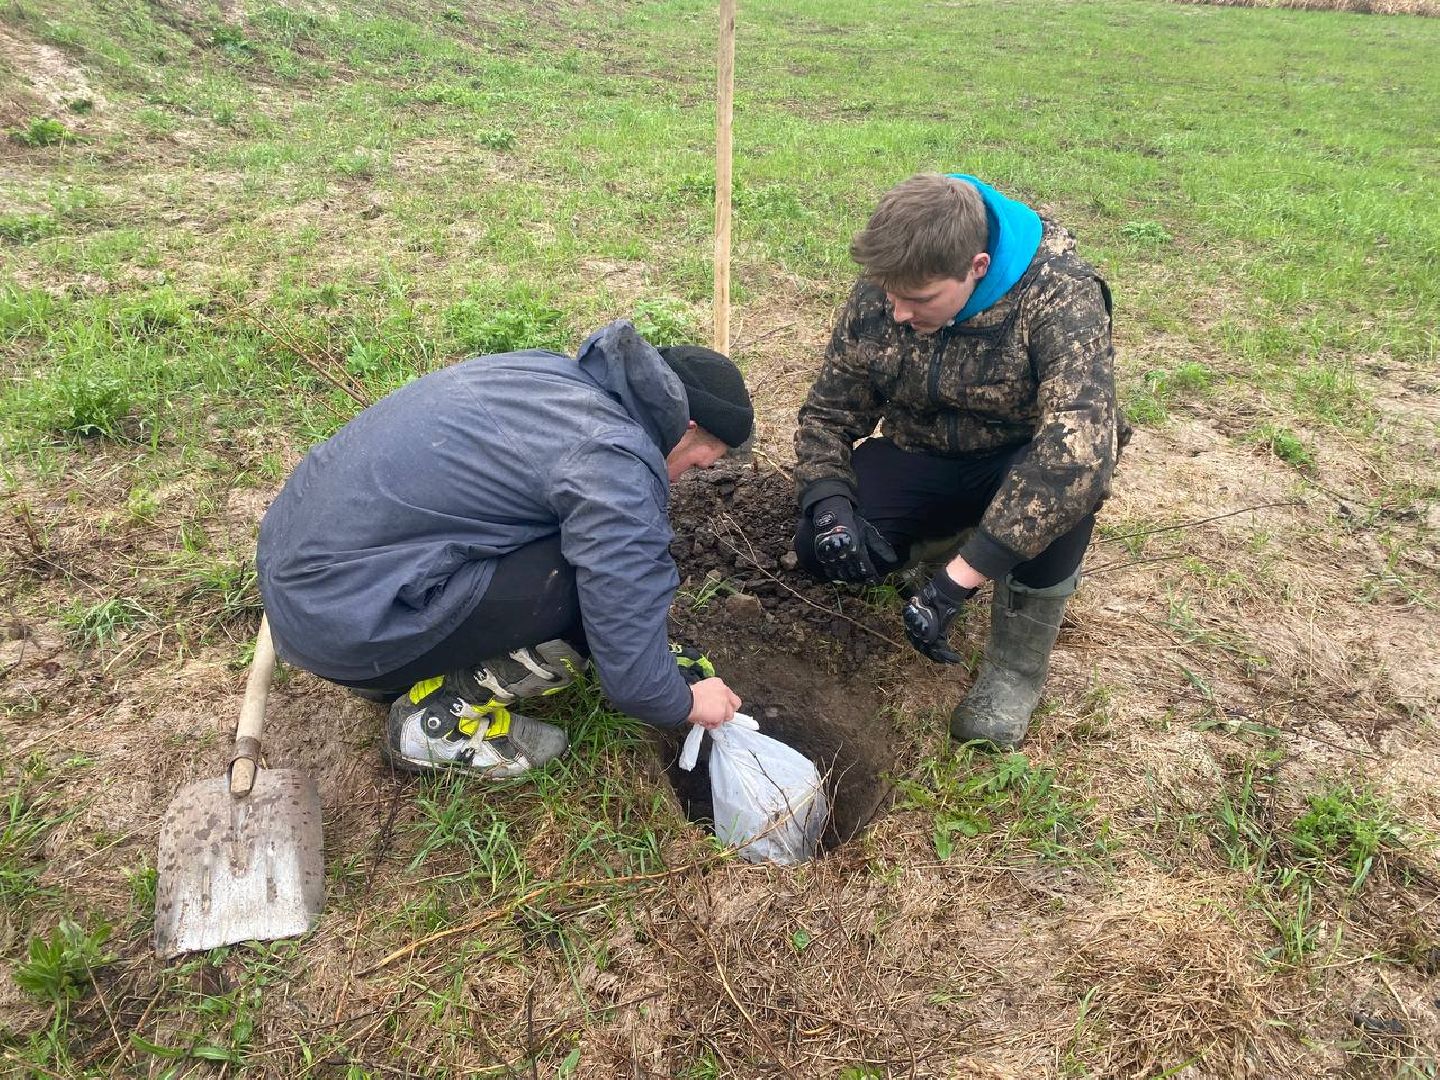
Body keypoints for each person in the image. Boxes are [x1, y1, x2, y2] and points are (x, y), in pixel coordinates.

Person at [257, 320, 753, 777]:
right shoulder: (612, 457)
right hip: (345, 625)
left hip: (311, 582)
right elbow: (626, 639)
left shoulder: (550, 373)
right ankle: (434, 726)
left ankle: (390, 673)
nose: (685, 479)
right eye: (697, 465)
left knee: (584, 549)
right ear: (686, 429)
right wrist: (682, 701)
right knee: (588, 591)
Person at [792, 173, 1125, 749]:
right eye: (889, 295)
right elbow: (829, 411)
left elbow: (1077, 455)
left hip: (1021, 464)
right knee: (816, 547)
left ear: (975, 267)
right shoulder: (892, 285)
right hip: (921, 451)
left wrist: (957, 585)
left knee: (1064, 501)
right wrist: (827, 504)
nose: (896, 312)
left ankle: (1013, 670)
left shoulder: (1059, 294)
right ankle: (950, 542)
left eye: (918, 301)